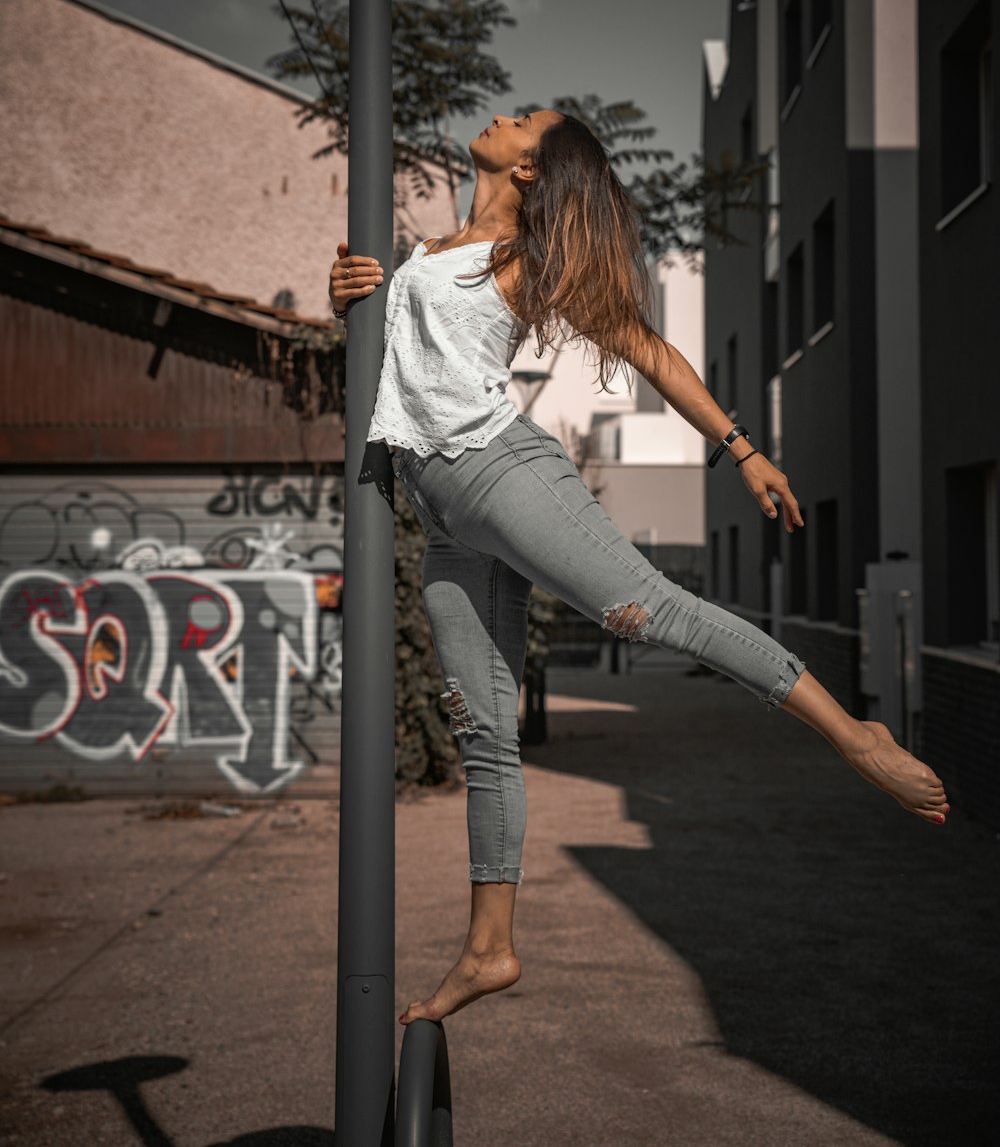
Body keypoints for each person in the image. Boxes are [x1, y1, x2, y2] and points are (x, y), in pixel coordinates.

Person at [328, 110, 948, 1029]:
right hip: (446, 515)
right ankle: (490, 948)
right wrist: (345, 298)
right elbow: (390, 371)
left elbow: (648, 349)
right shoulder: (424, 249)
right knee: (486, 731)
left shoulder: (525, 262)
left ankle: (853, 735)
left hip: (500, 471)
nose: (502, 115)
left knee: (652, 609)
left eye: (522, 120)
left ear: (534, 170)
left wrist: (741, 450)